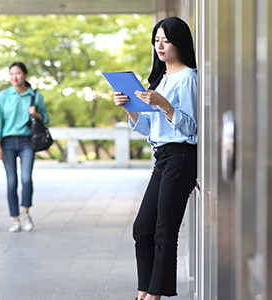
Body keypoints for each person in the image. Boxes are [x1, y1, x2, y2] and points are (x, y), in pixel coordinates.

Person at [113, 17, 198, 300]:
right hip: (162, 157)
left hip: (181, 156)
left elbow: (191, 128)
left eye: (166, 40)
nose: (159, 46)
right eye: (156, 40)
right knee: (142, 228)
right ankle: (144, 291)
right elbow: (150, 130)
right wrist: (131, 109)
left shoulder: (188, 78)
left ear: (180, 43)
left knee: (164, 230)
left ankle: (154, 295)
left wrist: (163, 104)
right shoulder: (161, 79)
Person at [0, 62, 50, 232]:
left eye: (17, 73)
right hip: (7, 142)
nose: (14, 77)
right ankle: (15, 219)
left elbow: (45, 119)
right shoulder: (3, 96)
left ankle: (25, 213)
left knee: (26, 179)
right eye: (11, 74)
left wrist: (36, 114)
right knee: (11, 182)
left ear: (25, 75)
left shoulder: (35, 96)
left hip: (27, 142)